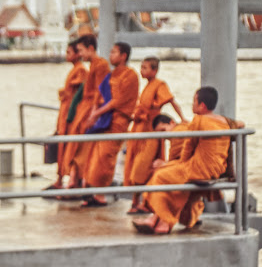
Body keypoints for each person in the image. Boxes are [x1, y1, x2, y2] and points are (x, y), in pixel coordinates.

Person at [133, 87, 232, 235]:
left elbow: (187, 148)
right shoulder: (224, 121)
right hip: (215, 169)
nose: (192, 105)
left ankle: (165, 220)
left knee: (160, 176)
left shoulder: (199, 120)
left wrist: (180, 165)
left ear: (202, 106)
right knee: (168, 173)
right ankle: (156, 219)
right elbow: (240, 124)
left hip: (199, 169)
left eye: (194, 102)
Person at [123, 57, 185, 214]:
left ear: (154, 70)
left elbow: (171, 101)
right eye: (141, 67)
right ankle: (136, 202)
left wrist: (182, 119)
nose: (142, 71)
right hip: (138, 131)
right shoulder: (146, 87)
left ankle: (145, 202)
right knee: (132, 165)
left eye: (145, 68)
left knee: (142, 166)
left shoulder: (159, 85)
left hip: (150, 132)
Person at [82, 42, 139, 207]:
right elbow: (99, 95)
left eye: (114, 52)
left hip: (117, 121)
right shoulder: (111, 75)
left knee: (106, 157)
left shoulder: (130, 76)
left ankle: (100, 195)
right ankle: (90, 191)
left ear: (123, 56)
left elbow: (118, 101)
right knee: (94, 155)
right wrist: (94, 112)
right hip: (103, 120)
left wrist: (96, 113)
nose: (110, 55)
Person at [60, 34, 110, 190]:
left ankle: (80, 180)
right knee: (75, 145)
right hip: (83, 108)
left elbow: (100, 91)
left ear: (90, 48)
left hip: (89, 109)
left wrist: (94, 113)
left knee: (83, 146)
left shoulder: (101, 65)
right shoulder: (93, 65)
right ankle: (74, 178)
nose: (80, 54)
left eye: (81, 50)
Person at [45, 41, 87, 190]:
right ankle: (60, 178)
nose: (66, 55)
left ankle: (69, 179)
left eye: (69, 52)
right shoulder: (75, 69)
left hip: (71, 115)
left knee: (69, 147)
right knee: (62, 146)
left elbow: (78, 90)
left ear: (77, 54)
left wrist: (66, 92)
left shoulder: (81, 70)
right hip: (65, 113)